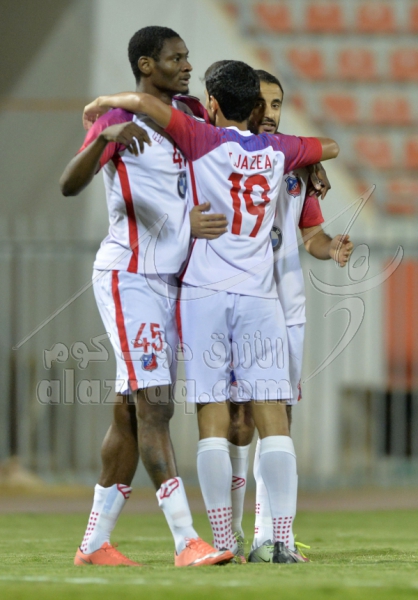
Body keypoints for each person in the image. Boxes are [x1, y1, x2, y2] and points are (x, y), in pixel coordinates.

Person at [83, 59, 339, 563]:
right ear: (258, 109)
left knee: (213, 419)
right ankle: (279, 541)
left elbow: (147, 105)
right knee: (274, 417)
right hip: (260, 296)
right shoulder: (279, 150)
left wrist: (105, 103)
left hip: (203, 295)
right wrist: (310, 158)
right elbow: (328, 146)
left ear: (215, 103)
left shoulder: (201, 137)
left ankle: (223, 540)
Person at [59, 26, 232, 568]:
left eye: (187, 57)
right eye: (175, 58)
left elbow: (233, 140)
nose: (187, 65)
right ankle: (185, 540)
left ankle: (94, 544)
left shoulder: (187, 115)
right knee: (155, 404)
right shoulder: (117, 121)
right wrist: (104, 138)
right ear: (145, 65)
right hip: (129, 277)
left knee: (131, 412)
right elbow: (69, 184)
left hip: (168, 280)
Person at [225, 69, 354, 562]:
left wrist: (331, 247)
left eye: (277, 104)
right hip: (238, 303)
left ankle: (269, 535)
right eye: (262, 102)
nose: (270, 112)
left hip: (287, 308)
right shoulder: (223, 155)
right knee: (238, 420)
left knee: (281, 415)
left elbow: (311, 236)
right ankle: (230, 533)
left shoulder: (296, 168)